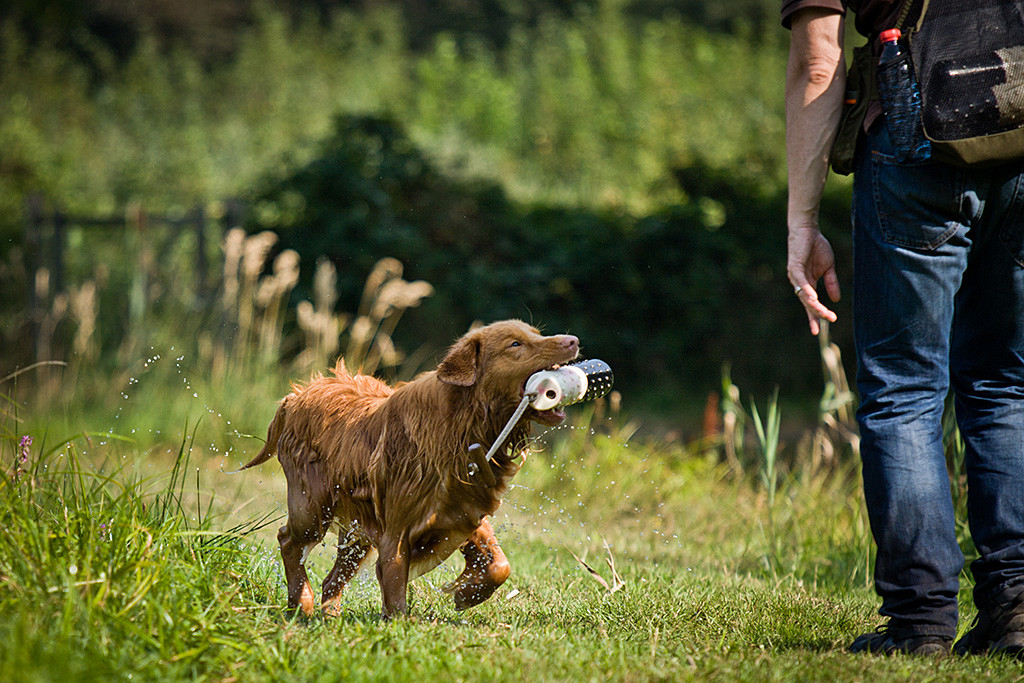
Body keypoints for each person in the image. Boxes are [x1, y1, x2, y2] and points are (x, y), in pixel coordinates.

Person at [782, 0, 1024, 657]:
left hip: (917, 126)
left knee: (904, 393)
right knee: (1006, 386)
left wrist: (802, 222)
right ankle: (1016, 610)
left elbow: (818, 58)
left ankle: (920, 625)